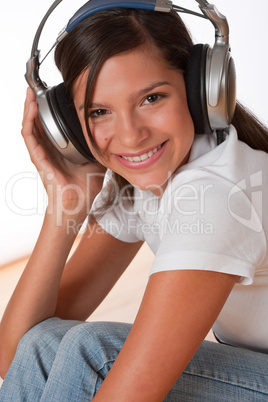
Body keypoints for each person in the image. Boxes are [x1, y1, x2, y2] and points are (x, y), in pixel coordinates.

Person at [0, 3, 268, 401]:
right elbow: (20, 352)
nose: (130, 136)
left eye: (151, 98)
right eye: (100, 112)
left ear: (202, 89)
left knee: (93, 352)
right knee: (49, 343)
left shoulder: (216, 196)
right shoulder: (146, 185)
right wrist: (65, 203)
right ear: (68, 129)